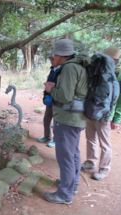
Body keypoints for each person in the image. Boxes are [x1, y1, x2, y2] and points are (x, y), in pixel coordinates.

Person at [43, 39, 91, 205]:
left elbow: (64, 96)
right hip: (75, 118)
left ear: (60, 55)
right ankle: (73, 184)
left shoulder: (70, 67)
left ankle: (64, 194)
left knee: (65, 157)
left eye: (54, 54)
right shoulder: (79, 65)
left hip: (67, 118)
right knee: (73, 153)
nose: (53, 57)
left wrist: (50, 88)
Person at [82, 46, 121, 181]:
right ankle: (90, 162)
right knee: (90, 139)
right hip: (92, 112)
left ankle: (104, 168)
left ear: (114, 59)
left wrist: (117, 118)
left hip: (107, 115)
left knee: (105, 143)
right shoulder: (98, 69)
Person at [37, 54, 60, 148]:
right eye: (50, 59)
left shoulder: (62, 70)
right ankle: (47, 137)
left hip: (57, 99)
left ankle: (55, 140)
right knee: (46, 119)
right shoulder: (52, 69)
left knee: (56, 121)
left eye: (53, 59)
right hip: (49, 97)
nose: (51, 61)